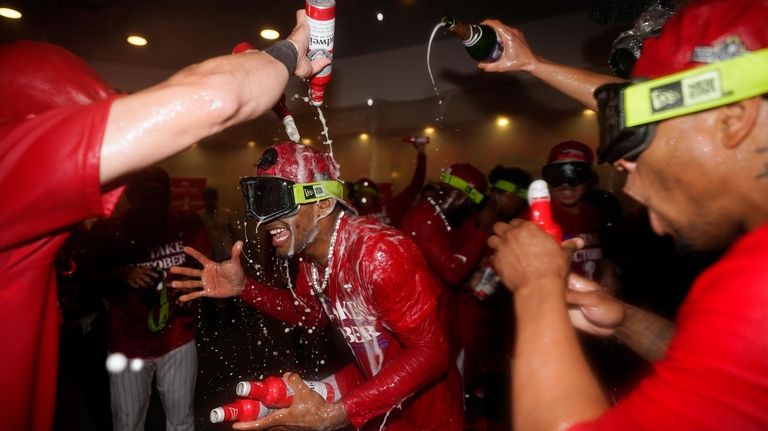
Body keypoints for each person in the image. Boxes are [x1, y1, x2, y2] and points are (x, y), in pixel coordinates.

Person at [0, 10, 329, 431]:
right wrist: (290, 49)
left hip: (176, 340)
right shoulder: (17, 181)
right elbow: (219, 98)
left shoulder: (370, 252)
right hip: (129, 344)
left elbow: (315, 315)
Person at [487, 0, 768, 429]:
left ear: (733, 117)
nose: (628, 176)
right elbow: (730, 370)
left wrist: (537, 286)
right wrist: (626, 321)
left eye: (636, 146)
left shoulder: (756, 285)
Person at [171, 141, 464, 430]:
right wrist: (245, 287)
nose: (264, 218)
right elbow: (308, 314)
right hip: (379, 404)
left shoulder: (379, 253)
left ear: (323, 203)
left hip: (428, 415)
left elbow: (432, 354)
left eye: (276, 200)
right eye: (259, 201)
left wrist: (337, 413)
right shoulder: (311, 258)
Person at [88, 167, 210, 431]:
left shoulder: (187, 225)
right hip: (127, 343)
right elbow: (84, 279)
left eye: (161, 196)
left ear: (169, 195)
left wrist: (195, 290)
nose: (155, 204)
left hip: (178, 337)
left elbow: (206, 271)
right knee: (127, 424)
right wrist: (119, 274)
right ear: (131, 196)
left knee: (182, 423)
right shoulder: (109, 230)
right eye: (148, 196)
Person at [349, 136, 428, 227]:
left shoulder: (390, 207)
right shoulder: (352, 215)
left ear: (375, 195)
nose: (363, 197)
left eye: (367, 191)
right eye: (360, 194)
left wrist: (421, 152)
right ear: (354, 196)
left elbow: (416, 186)